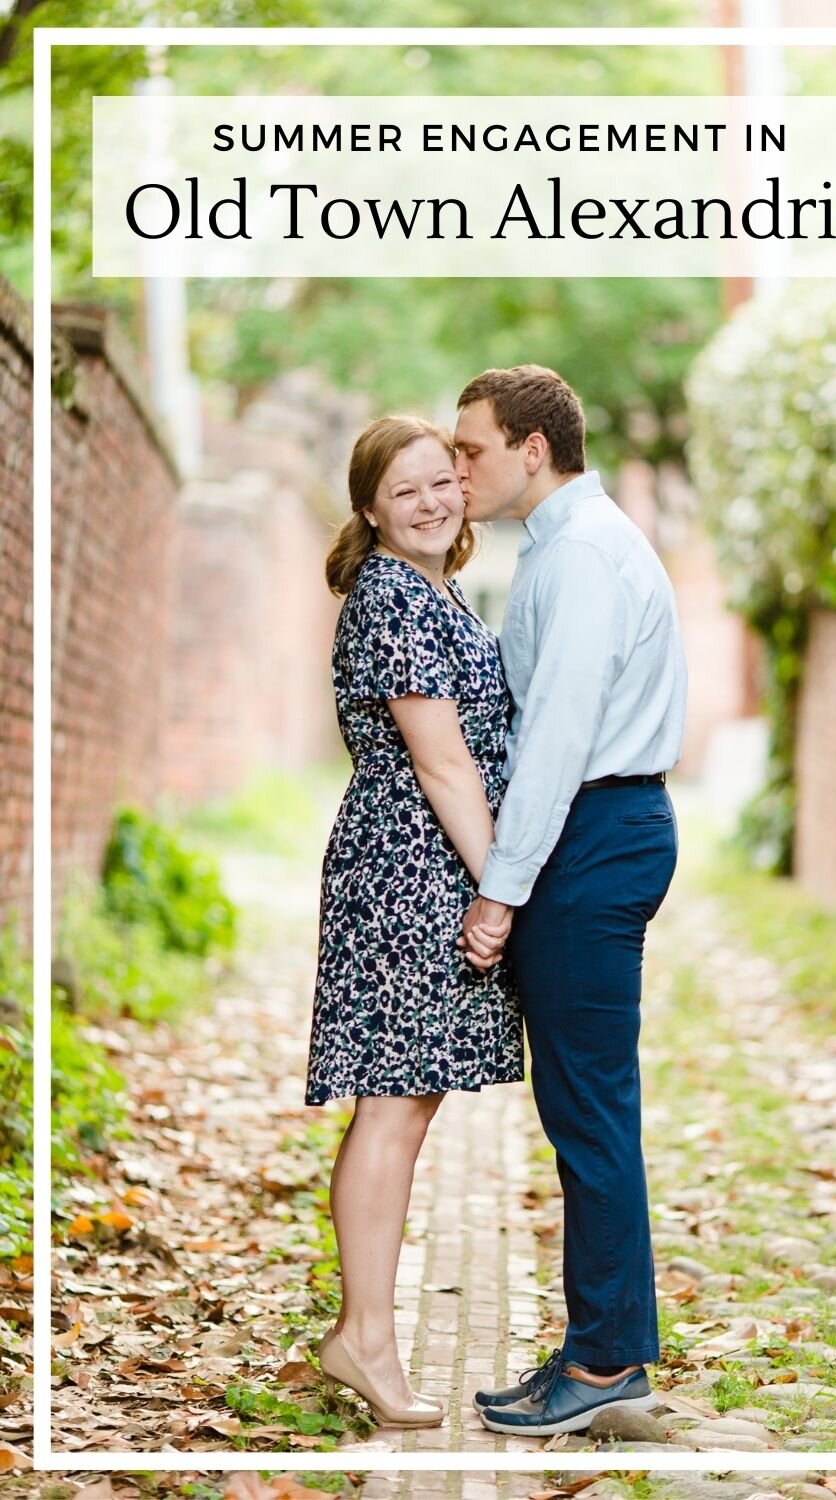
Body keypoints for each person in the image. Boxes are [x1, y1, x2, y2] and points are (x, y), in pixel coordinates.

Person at [454, 365, 688, 1438]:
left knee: (590, 1113)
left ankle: (603, 1366)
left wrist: (500, 892)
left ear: (532, 448)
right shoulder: (561, 549)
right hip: (589, 833)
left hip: (595, 835)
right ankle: (598, 1343)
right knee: (580, 1109)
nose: (459, 471)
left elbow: (555, 734)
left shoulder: (585, 556)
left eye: (472, 450)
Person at [305, 413, 522, 1429]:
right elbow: (442, 761)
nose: (432, 502)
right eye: (406, 492)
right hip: (406, 871)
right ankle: (366, 1339)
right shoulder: (392, 595)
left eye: (443, 481)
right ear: (370, 510)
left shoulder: (436, 586)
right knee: (392, 1106)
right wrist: (499, 885)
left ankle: (363, 1333)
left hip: (426, 864)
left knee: (410, 1100)